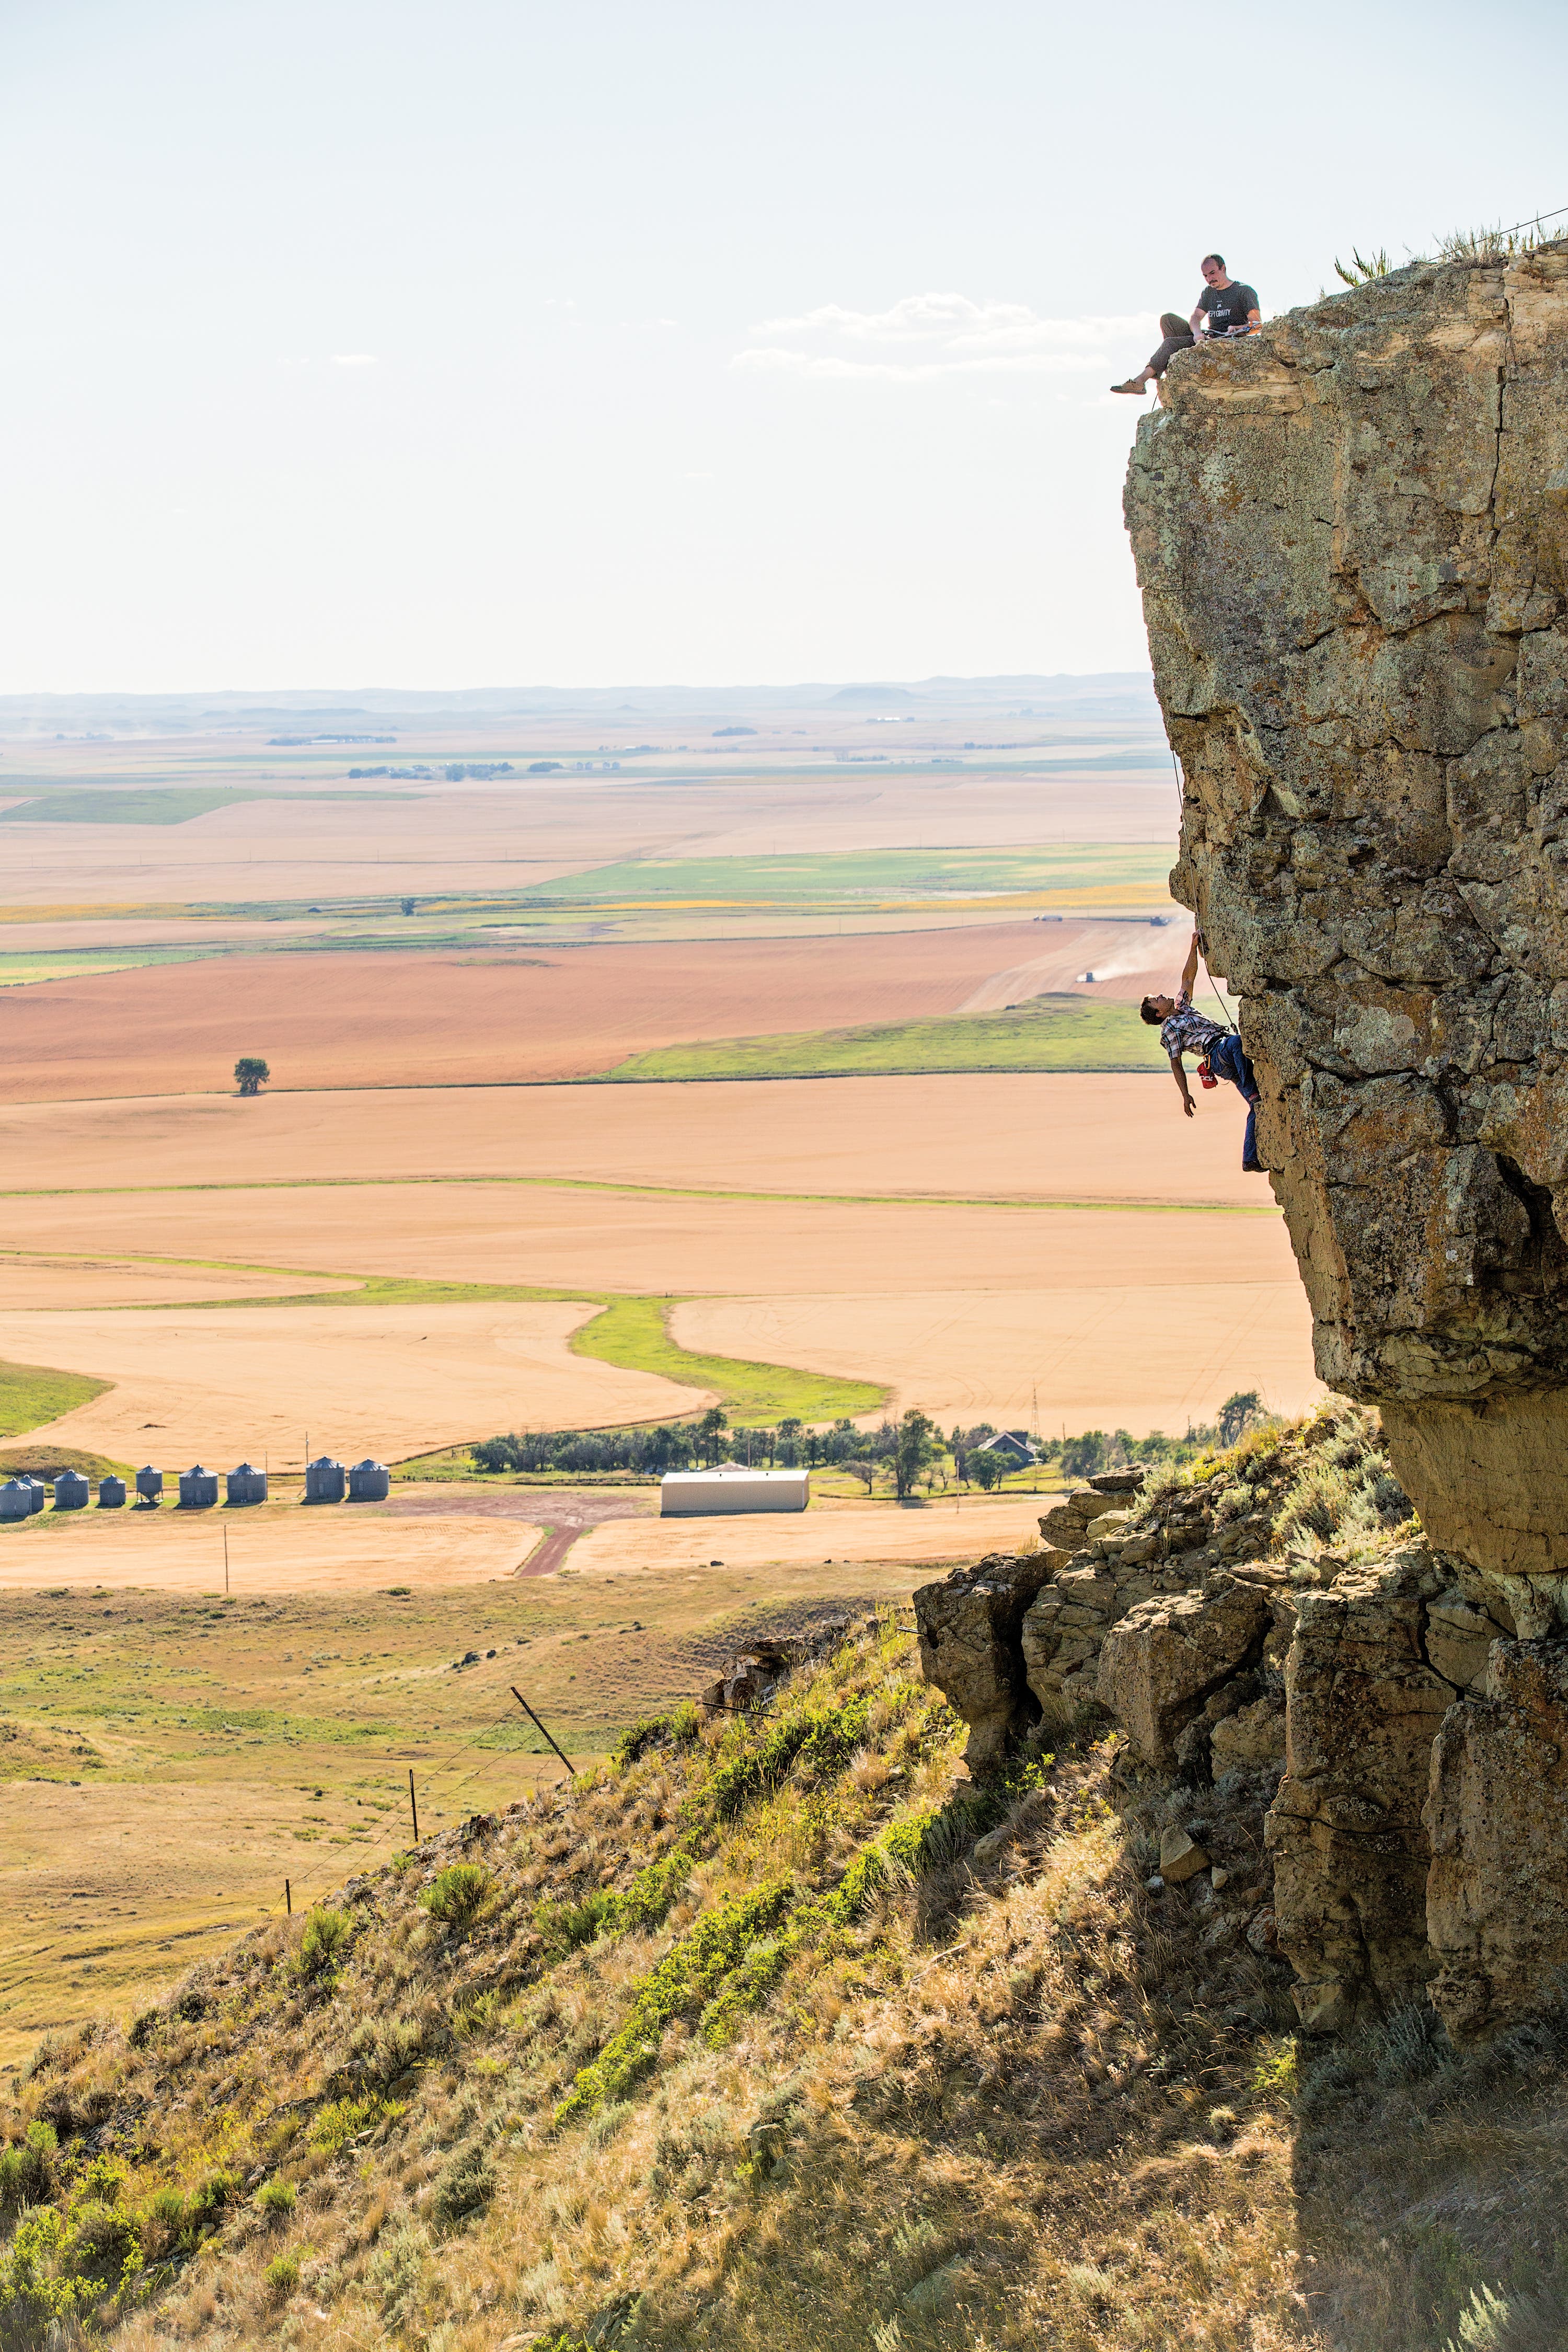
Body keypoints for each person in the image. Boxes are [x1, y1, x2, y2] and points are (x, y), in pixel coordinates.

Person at [1140, 929, 1264, 1172]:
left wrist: (1193, 947)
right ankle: (1251, 1088)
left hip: (1224, 1052)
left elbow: (1188, 979)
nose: (1162, 996)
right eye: (1157, 999)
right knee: (1239, 1043)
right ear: (1158, 1013)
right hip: (1218, 1053)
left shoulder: (1181, 1007)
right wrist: (1185, 1095)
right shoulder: (1169, 1032)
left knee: (1256, 1105)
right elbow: (1176, 1064)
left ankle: (1250, 1159)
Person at [1110, 312, 1195, 397]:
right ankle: (1170, 361)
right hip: (1202, 335)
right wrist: (1198, 332)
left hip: (1208, 341)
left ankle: (1140, 382)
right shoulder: (1206, 298)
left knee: (1170, 343)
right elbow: (1197, 316)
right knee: (1167, 319)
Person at [1191, 252, 1260, 341]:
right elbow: (1196, 317)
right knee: (1169, 320)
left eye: (1212, 273)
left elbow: (1257, 326)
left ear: (1223, 269)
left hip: (1233, 341)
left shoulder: (1244, 291)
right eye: (1206, 276)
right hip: (1210, 339)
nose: (1209, 279)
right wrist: (1197, 333)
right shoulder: (1208, 292)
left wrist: (1238, 329)